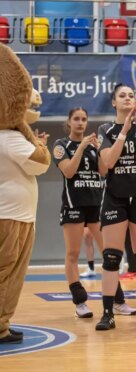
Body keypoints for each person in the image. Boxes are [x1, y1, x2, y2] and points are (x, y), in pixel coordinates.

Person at [53, 107, 136, 319]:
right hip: (73, 205)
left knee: (109, 254)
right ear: (69, 122)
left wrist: (99, 152)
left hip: (96, 204)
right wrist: (81, 147)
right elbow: (69, 171)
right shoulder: (61, 145)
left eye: (84, 119)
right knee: (72, 254)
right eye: (76, 119)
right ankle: (80, 302)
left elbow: (103, 171)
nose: (80, 122)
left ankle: (118, 300)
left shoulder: (93, 145)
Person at [95, 84, 136, 330]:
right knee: (111, 257)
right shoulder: (105, 129)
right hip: (116, 197)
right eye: (122, 96)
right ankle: (107, 313)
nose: (128, 99)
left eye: (131, 95)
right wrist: (124, 130)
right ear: (114, 102)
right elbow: (109, 161)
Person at [0, 43, 51, 344]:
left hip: (14, 216)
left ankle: (3, 322)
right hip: (12, 219)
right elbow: (40, 164)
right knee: (8, 272)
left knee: (8, 273)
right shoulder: (10, 139)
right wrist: (39, 143)